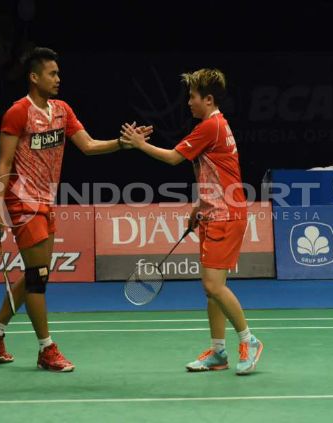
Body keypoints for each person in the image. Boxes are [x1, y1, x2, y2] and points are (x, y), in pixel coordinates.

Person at [0, 47, 150, 372]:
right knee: (38, 278)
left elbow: (88, 145)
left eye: (58, 73)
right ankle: (46, 349)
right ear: (34, 76)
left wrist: (123, 143)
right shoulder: (17, 112)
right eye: (52, 73)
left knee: (35, 274)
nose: (58, 79)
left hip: (46, 200)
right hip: (23, 201)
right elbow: (4, 161)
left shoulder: (62, 110)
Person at [120, 68, 262, 375]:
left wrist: (139, 144)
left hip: (226, 215)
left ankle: (249, 341)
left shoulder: (210, 126)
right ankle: (219, 352)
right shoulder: (216, 126)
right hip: (217, 212)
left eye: (192, 97)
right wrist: (200, 206)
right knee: (212, 289)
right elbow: (218, 172)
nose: (188, 102)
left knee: (213, 285)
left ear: (208, 99)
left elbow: (173, 158)